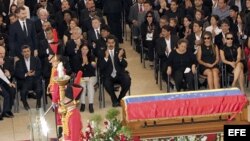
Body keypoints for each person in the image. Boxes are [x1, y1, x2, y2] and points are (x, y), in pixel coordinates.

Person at [99, 35, 131, 107]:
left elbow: (125, 65)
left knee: (127, 80)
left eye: (112, 43)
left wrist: (120, 57)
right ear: (106, 43)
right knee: (106, 83)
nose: (110, 44)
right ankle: (114, 100)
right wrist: (106, 57)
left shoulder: (120, 51)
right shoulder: (101, 52)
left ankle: (120, 99)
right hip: (108, 75)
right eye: (109, 43)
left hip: (120, 74)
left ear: (115, 43)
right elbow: (100, 67)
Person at [14, 45, 42, 110]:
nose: (26, 53)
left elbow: (40, 70)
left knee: (39, 89)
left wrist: (35, 73)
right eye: (24, 52)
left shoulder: (36, 59)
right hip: (25, 81)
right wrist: (26, 74)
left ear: (30, 51)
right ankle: (25, 104)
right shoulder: (19, 62)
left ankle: (38, 102)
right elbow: (17, 74)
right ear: (22, 53)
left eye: (28, 51)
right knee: (23, 92)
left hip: (35, 79)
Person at [62, 71, 83, 141]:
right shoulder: (70, 111)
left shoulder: (74, 116)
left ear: (73, 102)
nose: (63, 100)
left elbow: (75, 138)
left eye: (66, 99)